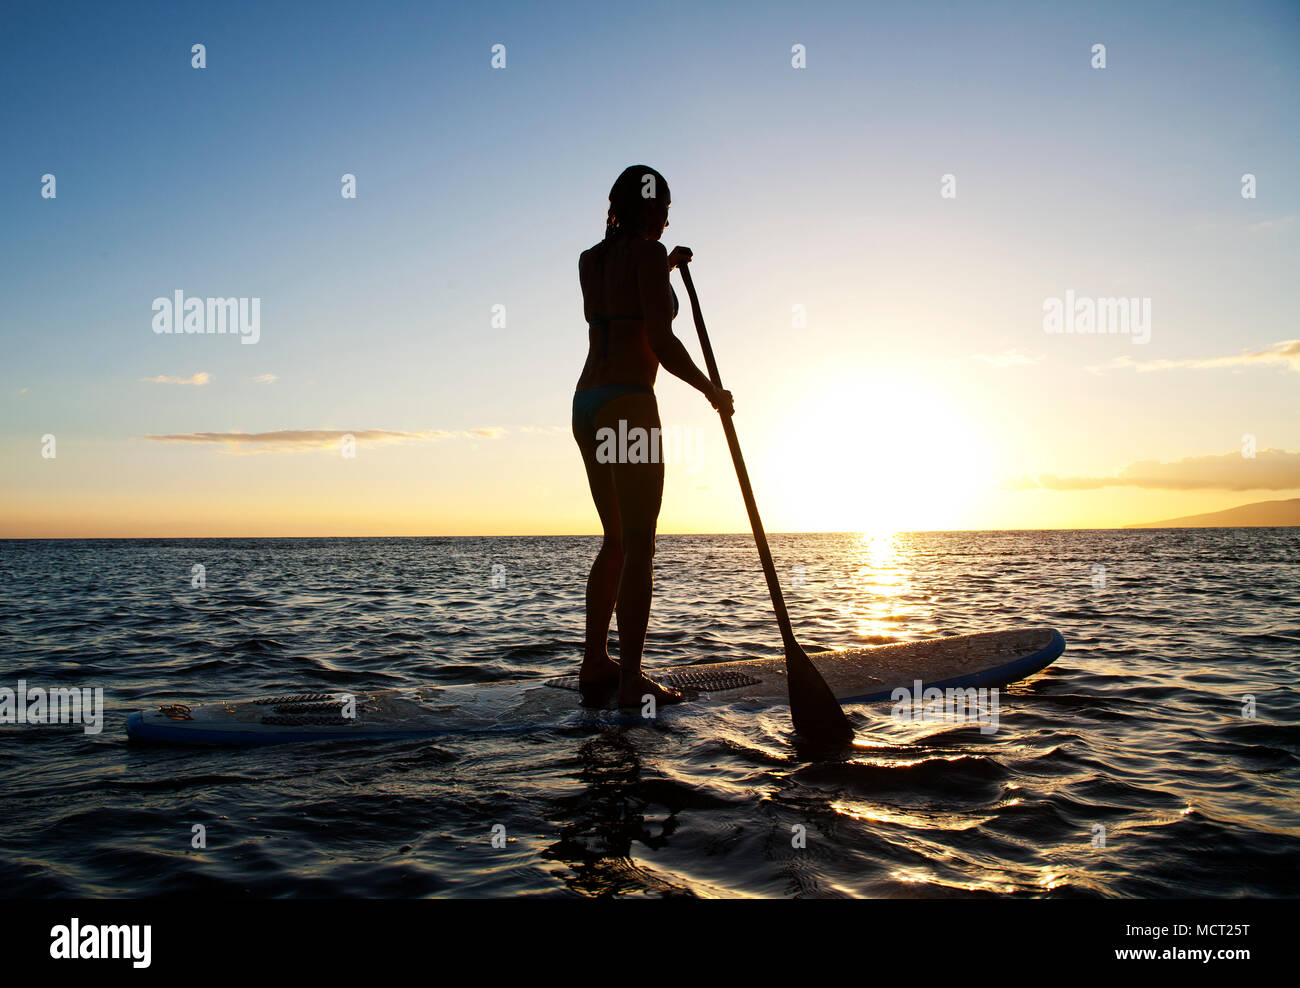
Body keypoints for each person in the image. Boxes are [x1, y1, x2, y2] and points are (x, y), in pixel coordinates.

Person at [572, 165, 734, 708]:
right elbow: (660, 338)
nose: (667, 217)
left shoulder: (590, 261)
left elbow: (624, 306)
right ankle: (629, 682)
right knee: (641, 544)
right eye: (663, 208)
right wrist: (710, 388)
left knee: (615, 541)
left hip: (586, 405)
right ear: (646, 209)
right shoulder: (643, 254)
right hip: (628, 405)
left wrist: (664, 267)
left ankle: (596, 664)